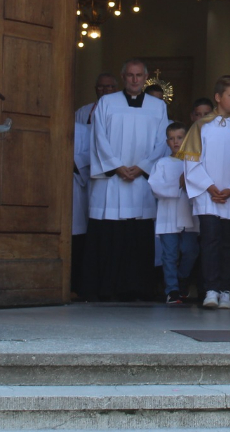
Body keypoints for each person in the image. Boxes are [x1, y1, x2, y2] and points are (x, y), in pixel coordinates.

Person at [84, 59, 169, 301]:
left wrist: (143, 167)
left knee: (137, 236)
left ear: (145, 78)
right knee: (109, 235)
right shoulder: (107, 103)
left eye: (138, 75)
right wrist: (115, 166)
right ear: (123, 77)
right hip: (111, 181)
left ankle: (138, 288)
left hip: (141, 181)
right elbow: (98, 137)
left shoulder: (158, 106)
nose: (134, 79)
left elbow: (162, 141)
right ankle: (105, 288)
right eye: (130, 75)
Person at [179, 76, 230, 310]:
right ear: (218, 97)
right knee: (210, 242)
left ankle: (226, 291)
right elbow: (192, 162)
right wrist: (210, 187)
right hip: (208, 195)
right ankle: (210, 290)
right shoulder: (201, 126)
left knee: (228, 245)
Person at [149, 122, 199, 304]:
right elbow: (155, 187)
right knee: (169, 254)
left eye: (179, 138)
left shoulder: (194, 161)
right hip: (168, 216)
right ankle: (172, 289)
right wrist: (178, 184)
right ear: (167, 142)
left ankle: (182, 278)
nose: (176, 142)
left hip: (188, 215)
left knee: (190, 251)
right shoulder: (162, 163)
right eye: (171, 138)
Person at [70, 117, 91, 298]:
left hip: (75, 184)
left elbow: (91, 154)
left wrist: (72, 159)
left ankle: (75, 287)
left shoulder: (83, 130)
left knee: (76, 237)